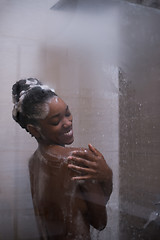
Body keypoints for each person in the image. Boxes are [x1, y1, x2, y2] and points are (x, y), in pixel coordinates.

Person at [12, 78, 113, 240]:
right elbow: (100, 222)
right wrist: (107, 176)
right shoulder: (78, 159)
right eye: (55, 121)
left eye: (67, 113)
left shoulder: (33, 162)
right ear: (34, 130)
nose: (67, 122)